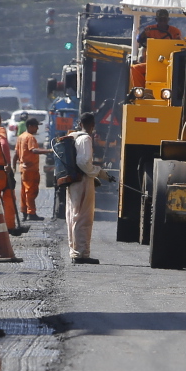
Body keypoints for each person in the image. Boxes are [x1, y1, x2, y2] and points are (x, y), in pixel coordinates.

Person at [64, 110, 114, 263]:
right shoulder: (86, 139)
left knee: (72, 215)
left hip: (72, 181)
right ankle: (81, 254)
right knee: (83, 217)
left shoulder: (73, 136)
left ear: (80, 124)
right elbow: (83, 162)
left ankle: (75, 251)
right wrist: (98, 172)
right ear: (93, 125)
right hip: (83, 181)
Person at [15, 117, 44, 221]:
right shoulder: (30, 137)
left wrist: (13, 167)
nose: (37, 129)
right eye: (36, 126)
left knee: (24, 191)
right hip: (30, 169)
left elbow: (16, 153)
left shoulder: (21, 137)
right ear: (30, 126)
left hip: (23, 168)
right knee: (31, 191)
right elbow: (34, 150)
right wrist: (49, 151)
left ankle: (24, 211)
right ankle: (31, 213)